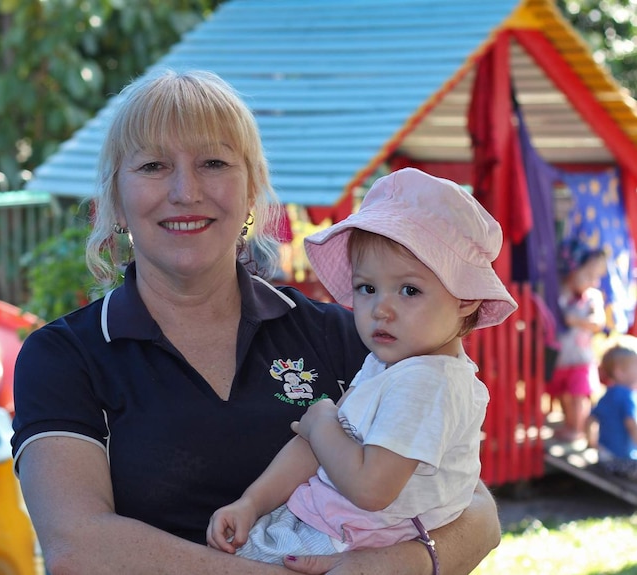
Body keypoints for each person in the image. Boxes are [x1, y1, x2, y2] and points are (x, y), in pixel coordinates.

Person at [10, 69, 502, 575]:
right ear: (115, 198)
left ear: (251, 191)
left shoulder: (349, 337)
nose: (186, 190)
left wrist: (403, 564)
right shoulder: (65, 357)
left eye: (214, 163)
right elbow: (78, 547)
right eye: (154, 165)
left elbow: (475, 511)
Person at [207, 168, 517, 564]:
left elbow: (371, 489)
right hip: (327, 523)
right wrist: (251, 503)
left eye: (409, 290)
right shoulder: (387, 364)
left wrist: (320, 423)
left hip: (353, 540)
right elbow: (317, 448)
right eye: (367, 288)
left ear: (466, 298)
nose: (380, 310)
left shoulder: (428, 383)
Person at [548, 243, 609, 442]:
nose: (594, 281)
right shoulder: (562, 294)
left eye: (596, 276)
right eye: (588, 275)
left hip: (581, 359)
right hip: (563, 358)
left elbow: (599, 323)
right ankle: (570, 426)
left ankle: (578, 428)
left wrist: (575, 321)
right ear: (572, 273)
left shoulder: (592, 298)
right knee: (565, 395)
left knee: (578, 396)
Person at [586, 336, 637, 480]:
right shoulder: (627, 396)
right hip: (623, 462)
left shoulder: (606, 395)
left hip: (604, 459)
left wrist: (592, 443)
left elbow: (590, 419)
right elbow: (632, 425)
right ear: (620, 371)